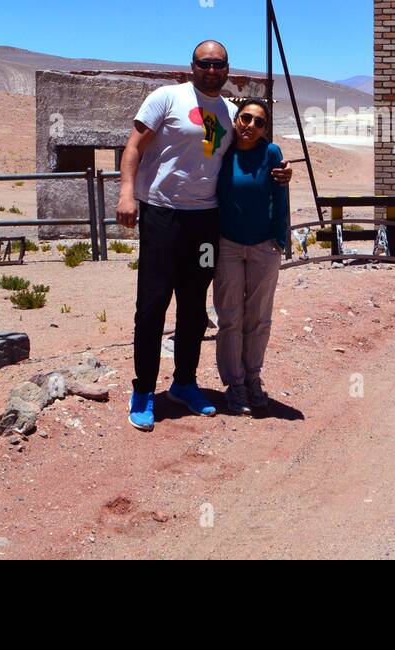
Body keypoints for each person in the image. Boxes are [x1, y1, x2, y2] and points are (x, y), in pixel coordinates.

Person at [116, 40, 290, 432]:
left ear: (228, 69)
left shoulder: (231, 113)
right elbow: (133, 147)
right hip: (162, 215)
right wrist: (127, 193)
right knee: (152, 305)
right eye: (204, 64)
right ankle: (143, 390)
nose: (212, 70)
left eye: (219, 65)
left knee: (195, 308)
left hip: (206, 222)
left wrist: (283, 171)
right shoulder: (166, 98)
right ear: (192, 66)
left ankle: (184, 383)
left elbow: (256, 153)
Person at [213, 98, 288, 415]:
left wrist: (280, 240)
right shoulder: (220, 150)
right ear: (236, 119)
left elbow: (280, 195)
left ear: (265, 128)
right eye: (246, 118)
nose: (251, 126)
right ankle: (235, 384)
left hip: (264, 245)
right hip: (227, 244)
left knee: (258, 318)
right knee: (230, 317)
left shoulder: (271, 154)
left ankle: (254, 379)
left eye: (259, 122)